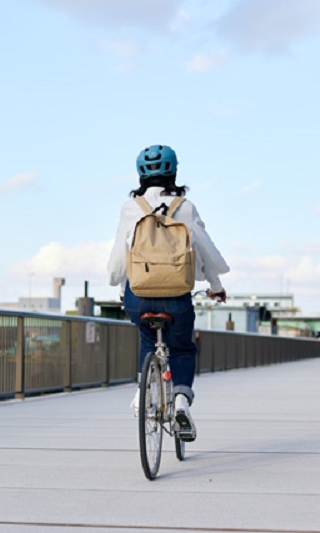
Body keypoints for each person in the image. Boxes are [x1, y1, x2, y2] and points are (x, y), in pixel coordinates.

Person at [107, 144, 229, 442]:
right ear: (174, 171)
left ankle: (141, 393)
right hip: (176, 296)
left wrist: (119, 286)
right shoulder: (184, 207)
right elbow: (204, 248)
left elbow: (119, 255)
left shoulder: (130, 208)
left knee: (148, 339)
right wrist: (216, 286)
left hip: (139, 295)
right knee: (183, 348)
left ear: (140, 174)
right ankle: (182, 402)